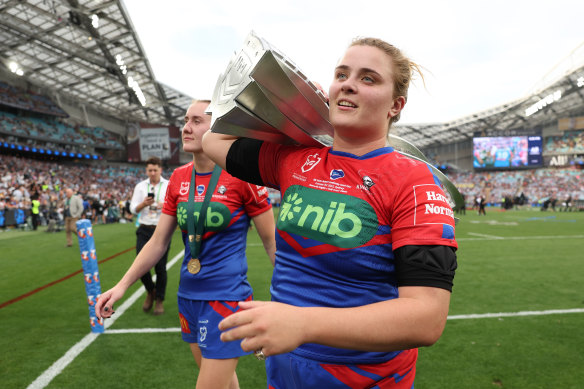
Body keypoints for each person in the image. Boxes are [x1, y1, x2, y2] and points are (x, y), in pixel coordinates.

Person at [203, 37, 458, 388]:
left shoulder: (415, 181)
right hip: (284, 373)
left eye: (368, 78)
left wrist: (303, 324)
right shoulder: (295, 160)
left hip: (365, 378)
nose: (348, 84)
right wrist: (296, 115)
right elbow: (212, 141)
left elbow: (426, 318)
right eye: (342, 74)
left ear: (395, 106)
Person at [96, 99, 276, 389]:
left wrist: (291, 298)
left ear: (217, 127)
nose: (186, 128)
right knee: (227, 384)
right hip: (188, 297)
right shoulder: (178, 179)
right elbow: (158, 242)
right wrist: (121, 286)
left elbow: (271, 242)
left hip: (225, 298)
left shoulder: (242, 175)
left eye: (196, 121)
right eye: (185, 120)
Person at [129, 156, 171, 315]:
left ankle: (159, 300)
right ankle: (150, 291)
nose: (152, 173)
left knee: (160, 268)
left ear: (160, 169)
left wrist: (165, 205)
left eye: (155, 170)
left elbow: (177, 204)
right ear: (146, 171)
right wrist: (143, 204)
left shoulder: (168, 185)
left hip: (162, 229)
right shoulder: (140, 187)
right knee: (140, 266)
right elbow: (133, 209)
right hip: (145, 228)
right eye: (150, 170)